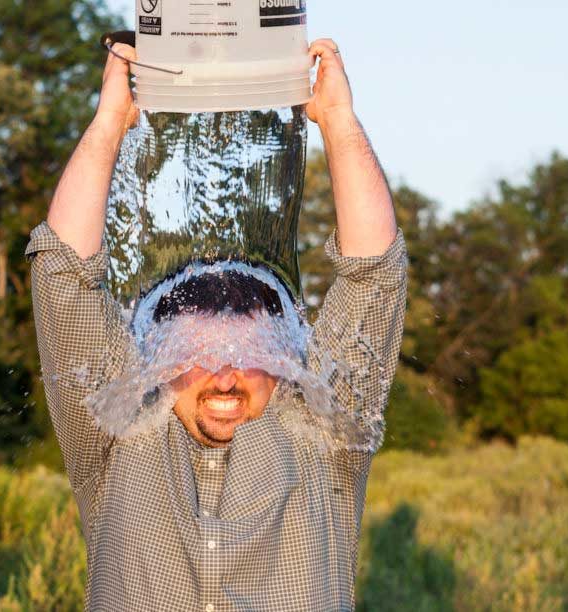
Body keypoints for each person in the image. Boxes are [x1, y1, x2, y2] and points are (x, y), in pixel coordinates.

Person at [26, 37, 407, 611]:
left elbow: (373, 279)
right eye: (199, 353)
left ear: (284, 357)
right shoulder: (114, 436)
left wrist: (337, 121)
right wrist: (110, 123)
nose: (225, 377)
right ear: (158, 359)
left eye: (246, 354)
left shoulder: (327, 436)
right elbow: (62, 279)